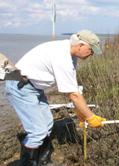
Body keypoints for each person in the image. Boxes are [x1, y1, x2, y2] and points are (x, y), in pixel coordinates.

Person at [5, 29, 106, 165]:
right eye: (91, 50)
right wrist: (90, 117)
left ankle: (42, 161)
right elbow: (74, 95)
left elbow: (73, 89)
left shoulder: (70, 55)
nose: (92, 54)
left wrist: (81, 112)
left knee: (47, 123)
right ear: (80, 45)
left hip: (34, 88)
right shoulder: (62, 56)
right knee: (38, 132)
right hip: (21, 87)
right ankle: (27, 163)